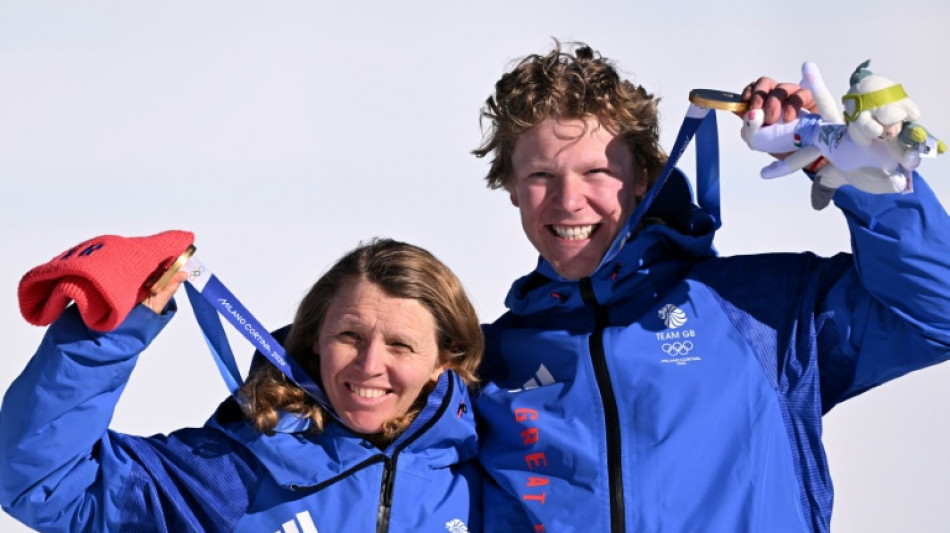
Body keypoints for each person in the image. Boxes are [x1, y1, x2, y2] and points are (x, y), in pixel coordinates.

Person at [471, 42, 950, 532]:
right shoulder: (485, 363)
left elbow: (936, 313)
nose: (569, 200)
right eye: (540, 175)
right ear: (509, 186)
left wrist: (861, 180)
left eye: (596, 171)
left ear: (642, 177)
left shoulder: (761, 310)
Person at [0, 238, 484, 532]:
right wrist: (110, 331)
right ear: (315, 338)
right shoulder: (232, 474)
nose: (370, 365)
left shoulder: (488, 477)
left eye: (400, 345)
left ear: (444, 361)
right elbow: (42, 484)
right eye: (350, 336)